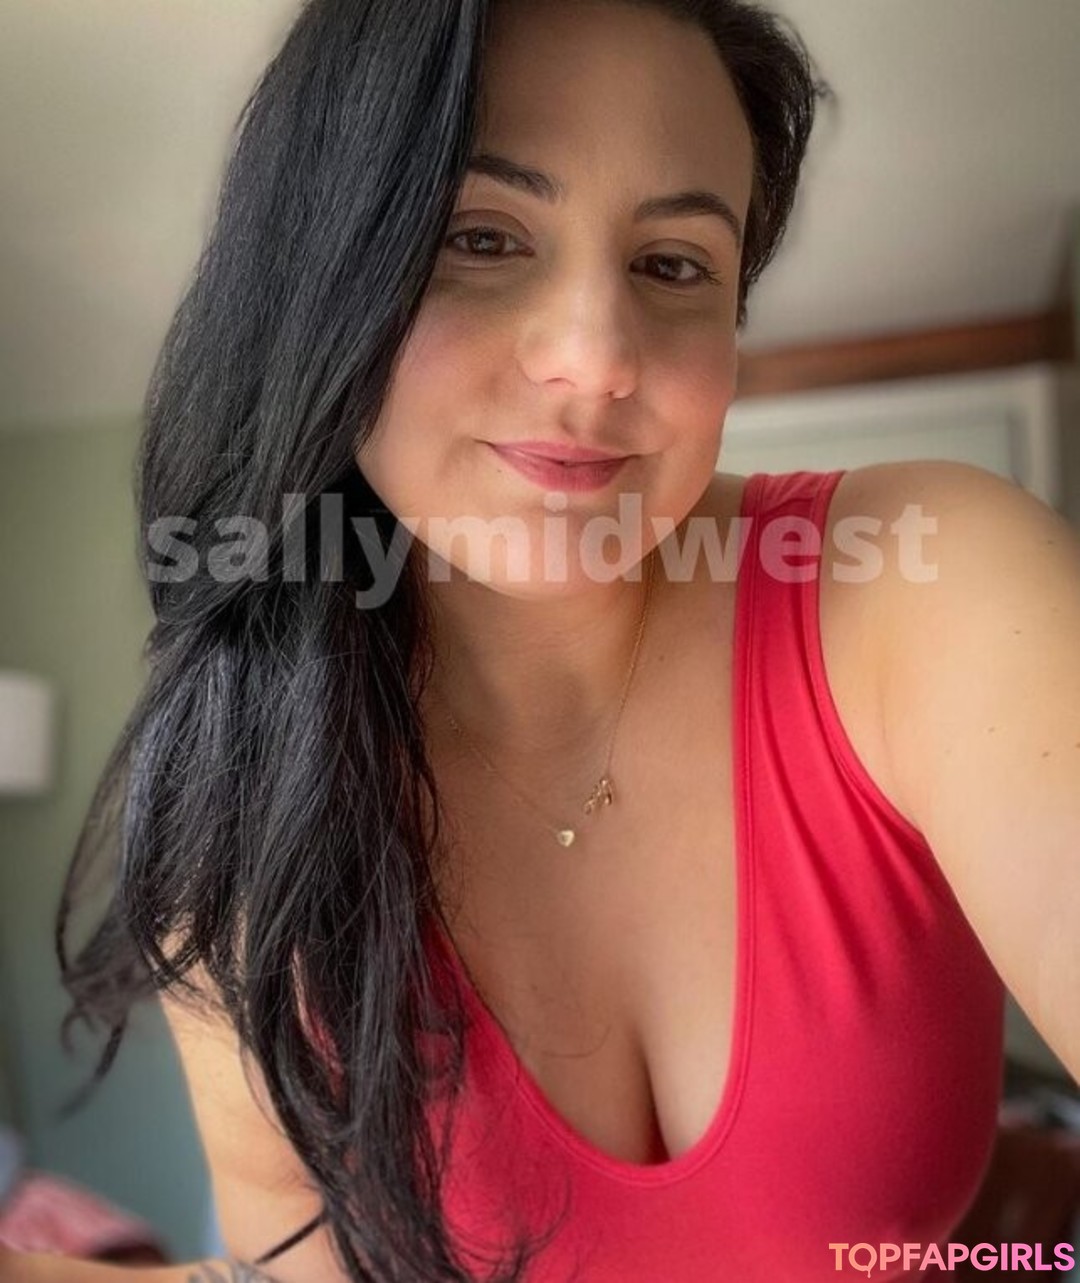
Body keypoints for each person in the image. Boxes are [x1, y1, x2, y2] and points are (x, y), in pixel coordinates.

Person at [3, 0, 1078, 1281]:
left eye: (673, 263)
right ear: (317, 280)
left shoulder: (921, 582)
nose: (596, 357)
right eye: (481, 236)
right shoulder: (245, 838)